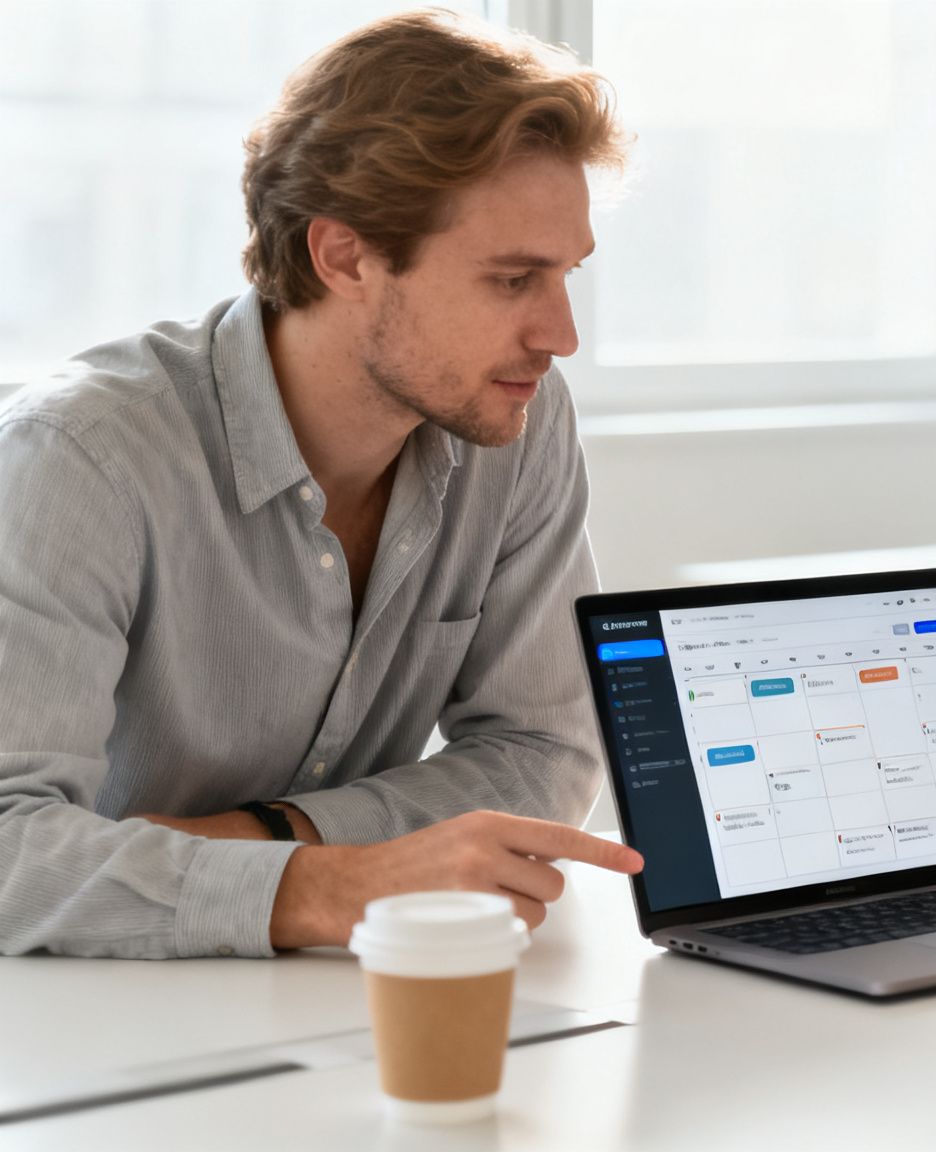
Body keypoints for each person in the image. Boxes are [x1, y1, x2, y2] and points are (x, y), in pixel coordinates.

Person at [0, 10, 642, 959]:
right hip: (81, 1019)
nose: (560, 335)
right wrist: (328, 884)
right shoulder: (80, 456)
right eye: (512, 280)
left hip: (335, 994)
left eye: (566, 277)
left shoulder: (519, 421)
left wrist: (276, 841)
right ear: (342, 256)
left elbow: (544, 755)